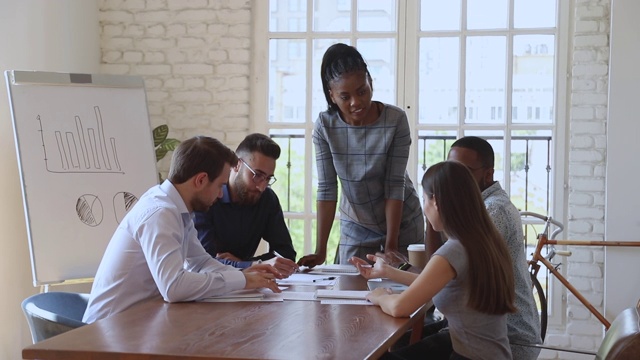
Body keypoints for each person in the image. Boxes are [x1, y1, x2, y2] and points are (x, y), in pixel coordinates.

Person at [83, 136, 282, 323]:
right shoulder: (160, 212)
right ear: (201, 180)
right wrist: (242, 280)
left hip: (137, 322)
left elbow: (200, 262)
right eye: (220, 185)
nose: (221, 195)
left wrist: (245, 272)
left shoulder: (177, 208)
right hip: (107, 331)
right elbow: (174, 287)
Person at [351, 161, 516, 360]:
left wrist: (378, 296)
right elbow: (436, 283)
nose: (424, 208)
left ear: (436, 202)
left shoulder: (454, 250)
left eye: (424, 199)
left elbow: (399, 307)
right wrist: (387, 271)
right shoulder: (486, 241)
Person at [297, 42, 424, 267]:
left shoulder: (395, 120)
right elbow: (327, 188)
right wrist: (320, 250)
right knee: (350, 291)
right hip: (357, 226)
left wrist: (391, 247)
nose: (356, 102)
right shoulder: (325, 126)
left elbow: (394, 184)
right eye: (345, 97)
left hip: (402, 224)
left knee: (401, 294)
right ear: (332, 96)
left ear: (370, 83)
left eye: (362, 91)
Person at [423, 136, 542, 359]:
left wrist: (433, 211)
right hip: (481, 331)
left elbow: (443, 265)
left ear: (488, 174)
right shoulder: (473, 209)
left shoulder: (492, 211)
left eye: (464, 171)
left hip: (507, 338)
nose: (454, 178)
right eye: (451, 169)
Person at [194, 133, 298, 277]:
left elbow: (286, 255)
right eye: (257, 175)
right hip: (208, 286)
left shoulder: (267, 199)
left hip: (249, 288)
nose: (261, 186)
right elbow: (204, 262)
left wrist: (245, 263)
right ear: (237, 165)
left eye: (268, 178)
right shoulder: (208, 197)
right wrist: (250, 265)